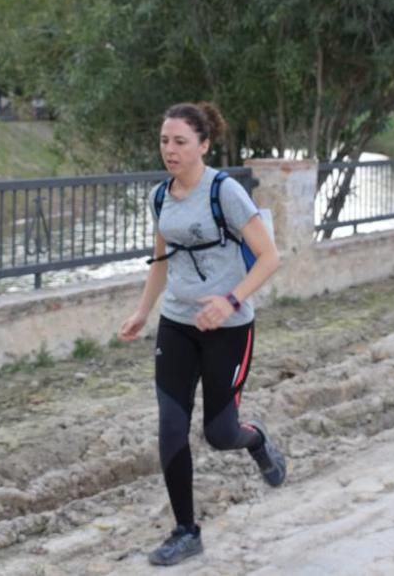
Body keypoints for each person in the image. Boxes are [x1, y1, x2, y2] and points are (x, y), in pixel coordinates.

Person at [118, 101, 287, 566]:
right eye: (164, 141)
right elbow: (162, 261)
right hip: (177, 325)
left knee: (219, 432)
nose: (169, 150)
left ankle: (256, 442)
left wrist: (230, 300)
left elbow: (270, 257)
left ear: (204, 145)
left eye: (179, 142)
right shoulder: (160, 197)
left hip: (229, 328)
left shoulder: (224, 192)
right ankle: (186, 531)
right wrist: (142, 311)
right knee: (171, 425)